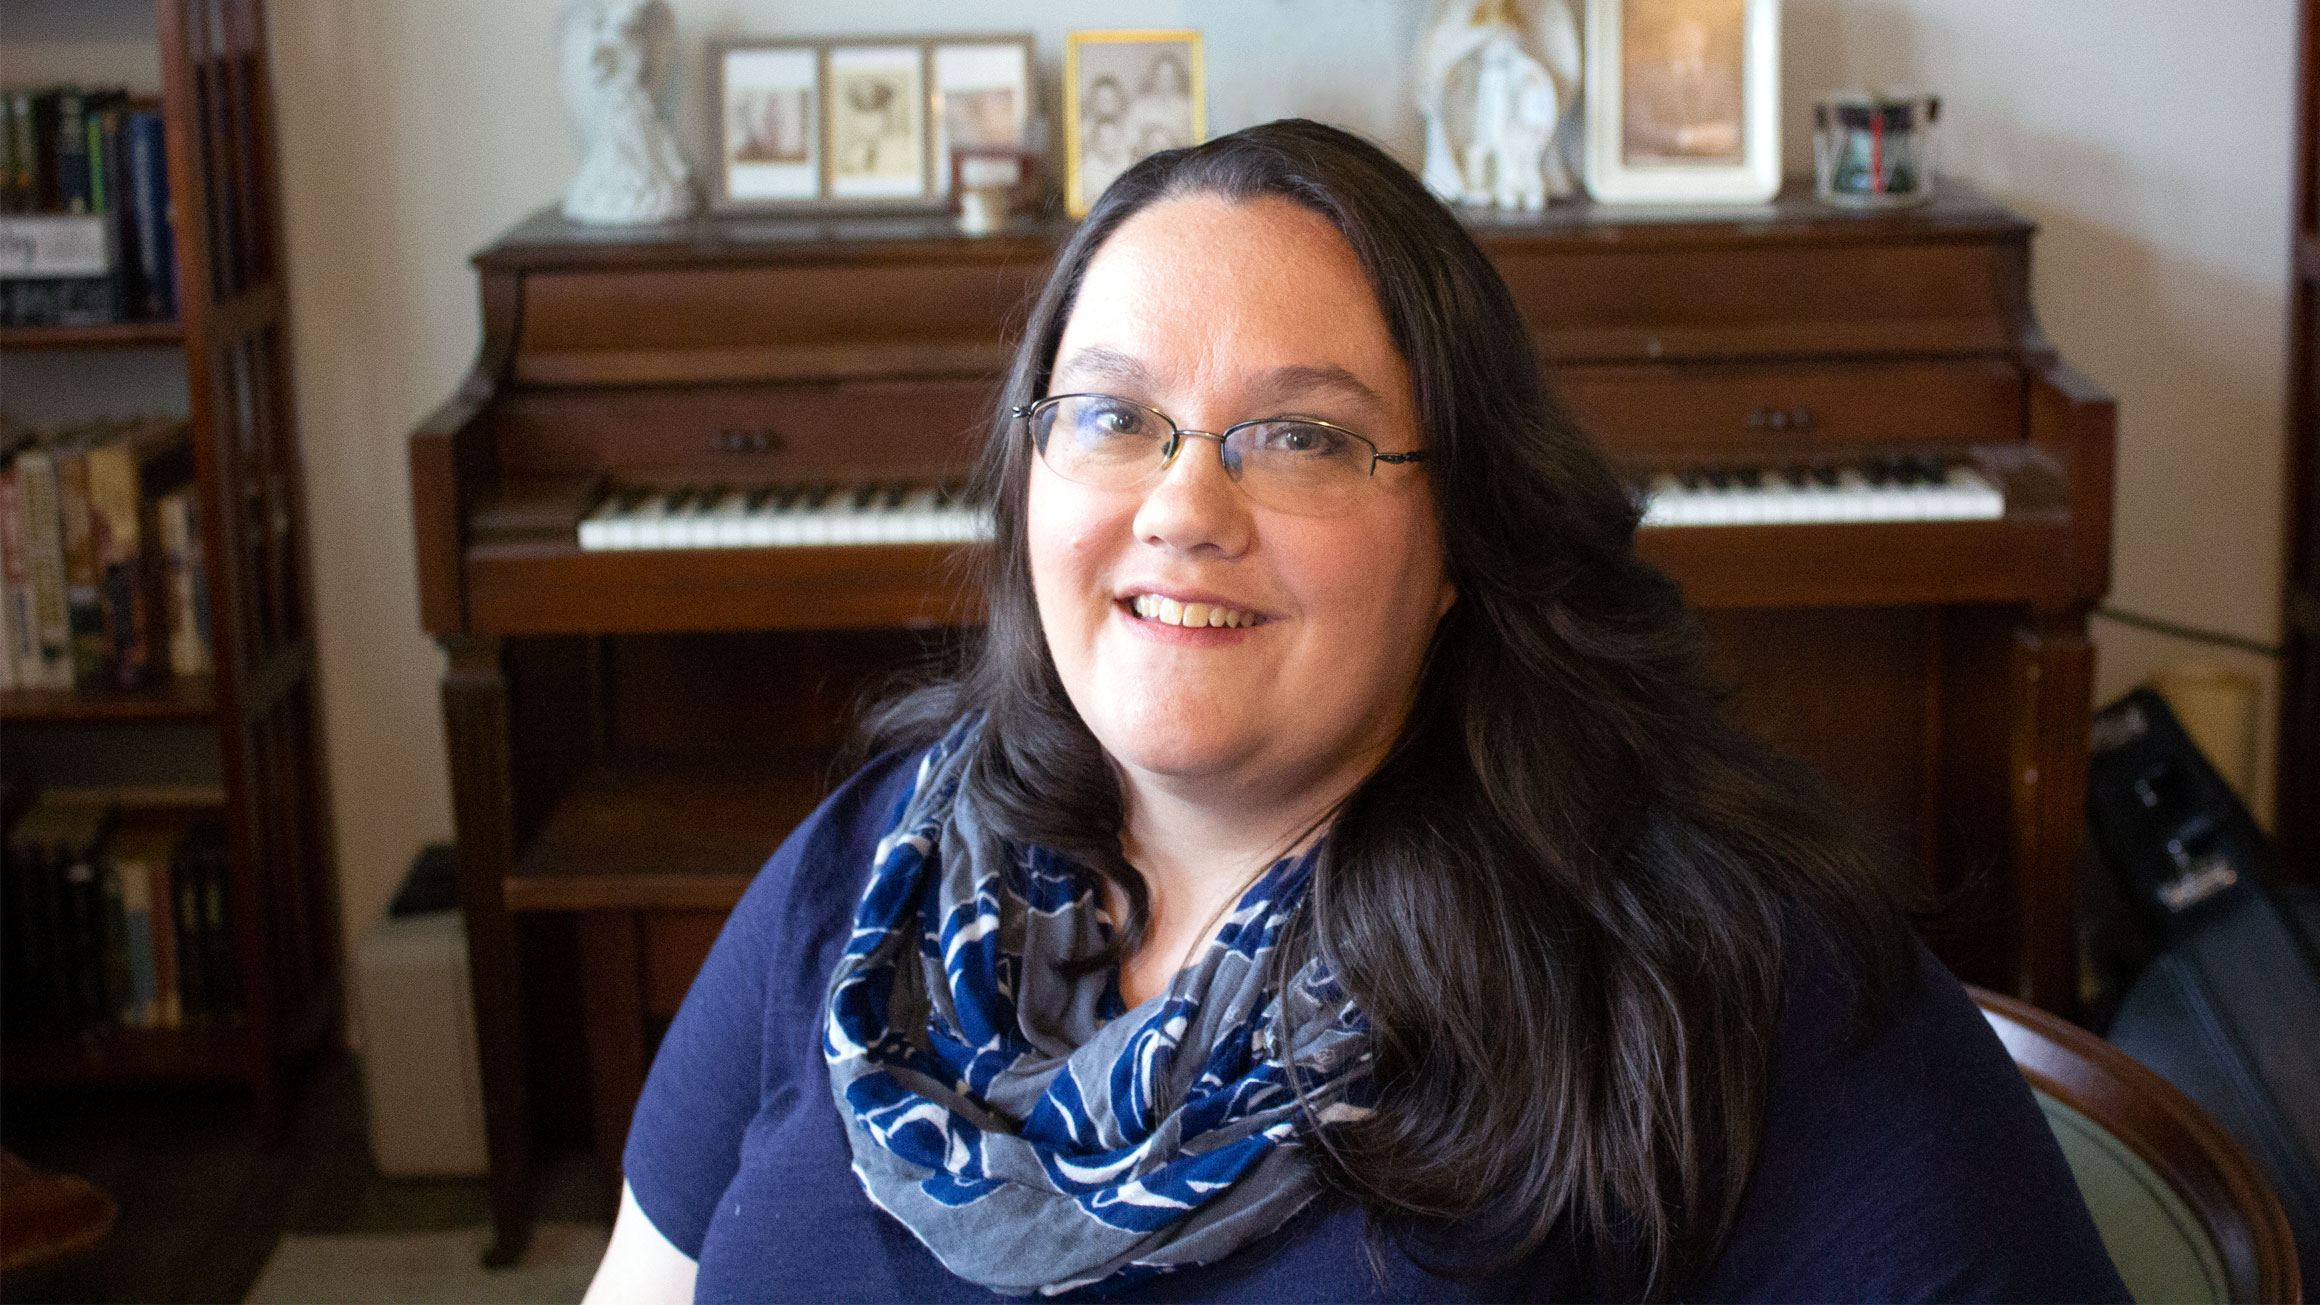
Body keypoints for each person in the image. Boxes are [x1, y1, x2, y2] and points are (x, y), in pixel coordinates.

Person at [586, 120, 2128, 1302]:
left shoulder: (1720, 966)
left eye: (1304, 437)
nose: (1185, 504)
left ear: (1462, 534)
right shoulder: (875, 865)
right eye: (1116, 416)